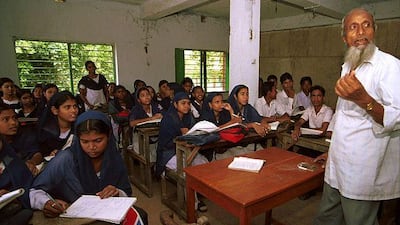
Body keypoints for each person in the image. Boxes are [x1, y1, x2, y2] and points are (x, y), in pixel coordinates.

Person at [313, 8, 400, 225]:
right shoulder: (349, 64)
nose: (360, 32)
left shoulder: (389, 66)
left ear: (374, 31)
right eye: (353, 27)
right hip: (337, 166)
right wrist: (332, 153)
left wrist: (364, 99)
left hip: (362, 172)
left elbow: (397, 116)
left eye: (366, 25)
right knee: (326, 219)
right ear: (344, 37)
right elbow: (344, 118)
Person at [29, 110, 148, 224]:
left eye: (98, 140)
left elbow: (125, 191)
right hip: (72, 215)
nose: (91, 147)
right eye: (85, 142)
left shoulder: (114, 158)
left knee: (141, 215)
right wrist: (46, 202)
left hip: (107, 211)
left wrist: (117, 192)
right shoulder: (65, 159)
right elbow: (34, 191)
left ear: (109, 136)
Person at [0, 138, 33, 225]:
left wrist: (9, 195)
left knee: (24, 213)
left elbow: (23, 179)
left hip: (10, 204)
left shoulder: (8, 157)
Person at [37, 91, 78, 160]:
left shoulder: (79, 129)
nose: (73, 110)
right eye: (67, 107)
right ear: (55, 110)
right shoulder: (46, 132)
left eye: (75, 106)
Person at [129, 87, 162, 163]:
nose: (146, 97)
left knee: (159, 154)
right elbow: (132, 123)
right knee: (148, 158)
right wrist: (151, 118)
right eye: (143, 95)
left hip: (154, 137)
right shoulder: (136, 109)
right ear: (138, 100)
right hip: (140, 138)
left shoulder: (155, 106)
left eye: (148, 94)